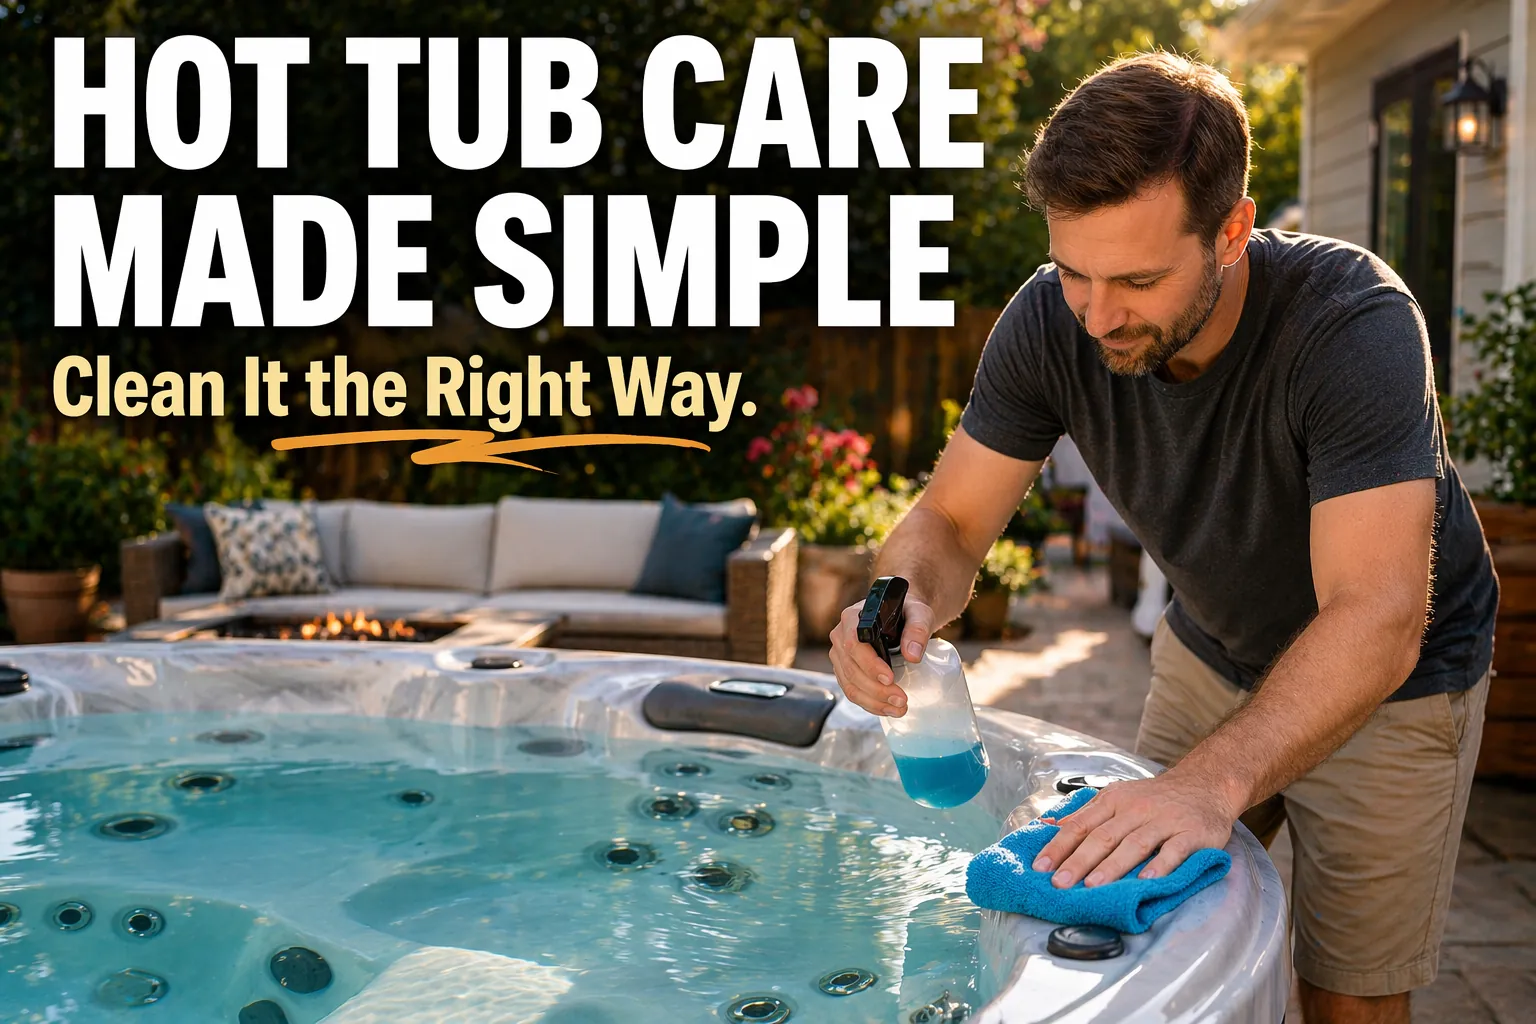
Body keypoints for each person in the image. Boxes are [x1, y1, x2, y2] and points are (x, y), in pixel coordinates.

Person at [826, 51, 1496, 1024]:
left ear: (1232, 231)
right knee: (1132, 937)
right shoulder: (1049, 323)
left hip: (1393, 677)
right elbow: (950, 521)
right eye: (1073, 272)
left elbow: (1380, 612)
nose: (1098, 315)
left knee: (1345, 995)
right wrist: (907, 596)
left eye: (1136, 279)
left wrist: (1210, 784)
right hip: (1212, 645)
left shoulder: (1353, 324)